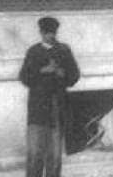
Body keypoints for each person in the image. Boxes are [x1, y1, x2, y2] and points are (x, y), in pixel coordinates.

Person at [18, 16, 81, 177]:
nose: (50, 36)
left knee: (54, 155)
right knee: (35, 153)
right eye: (47, 33)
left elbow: (74, 75)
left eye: (53, 33)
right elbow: (24, 77)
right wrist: (42, 71)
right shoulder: (33, 52)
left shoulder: (64, 50)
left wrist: (63, 73)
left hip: (57, 109)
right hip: (38, 110)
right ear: (41, 33)